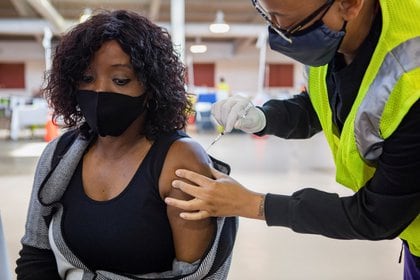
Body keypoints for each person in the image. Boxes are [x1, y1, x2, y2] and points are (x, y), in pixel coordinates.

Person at [164, 0, 420, 279]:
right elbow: (321, 103)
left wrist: (253, 204)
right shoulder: (333, 38)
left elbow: (378, 215)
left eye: (290, 24)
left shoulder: (412, 80)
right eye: (267, 15)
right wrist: (264, 117)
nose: (279, 34)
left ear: (349, 5)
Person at [15, 10, 236, 279]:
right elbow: (36, 255)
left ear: (151, 87)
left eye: (120, 80)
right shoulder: (59, 155)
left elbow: (196, 276)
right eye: (86, 78)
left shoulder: (180, 162)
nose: (99, 91)